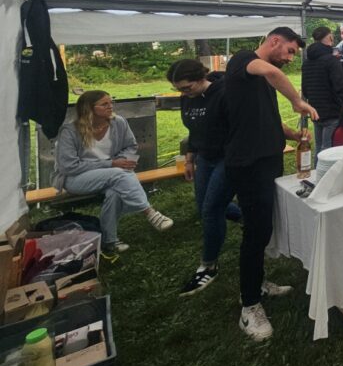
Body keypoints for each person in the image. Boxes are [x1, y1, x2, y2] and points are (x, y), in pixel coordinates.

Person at [224, 27, 317, 342]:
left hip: (269, 158)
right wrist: (297, 101)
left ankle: (258, 282)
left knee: (266, 226)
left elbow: (262, 115)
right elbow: (271, 72)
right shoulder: (244, 61)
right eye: (290, 51)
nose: (290, 59)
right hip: (248, 163)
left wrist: (290, 134)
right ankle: (249, 305)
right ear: (274, 41)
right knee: (255, 232)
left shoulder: (260, 78)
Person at [54, 91, 173, 255]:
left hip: (111, 175)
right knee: (117, 174)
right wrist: (112, 164)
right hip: (75, 179)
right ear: (89, 108)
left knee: (115, 191)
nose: (111, 107)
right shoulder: (70, 130)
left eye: (111, 103)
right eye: (105, 104)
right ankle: (149, 212)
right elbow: (68, 166)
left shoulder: (118, 122)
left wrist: (126, 161)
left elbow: (131, 146)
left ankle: (109, 241)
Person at [167, 59, 242, 296]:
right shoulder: (186, 98)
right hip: (205, 158)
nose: (183, 93)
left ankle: (209, 265)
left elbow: (240, 128)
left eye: (187, 88)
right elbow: (194, 131)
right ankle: (248, 216)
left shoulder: (225, 93)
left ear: (202, 79)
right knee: (203, 207)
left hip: (228, 158)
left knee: (211, 210)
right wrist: (190, 159)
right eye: (179, 89)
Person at [301, 26, 343, 165]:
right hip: (332, 110)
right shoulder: (331, 60)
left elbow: (305, 89)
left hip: (315, 109)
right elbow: (341, 87)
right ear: (329, 38)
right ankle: (324, 178)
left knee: (319, 148)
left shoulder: (307, 61)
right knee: (328, 149)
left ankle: (316, 174)